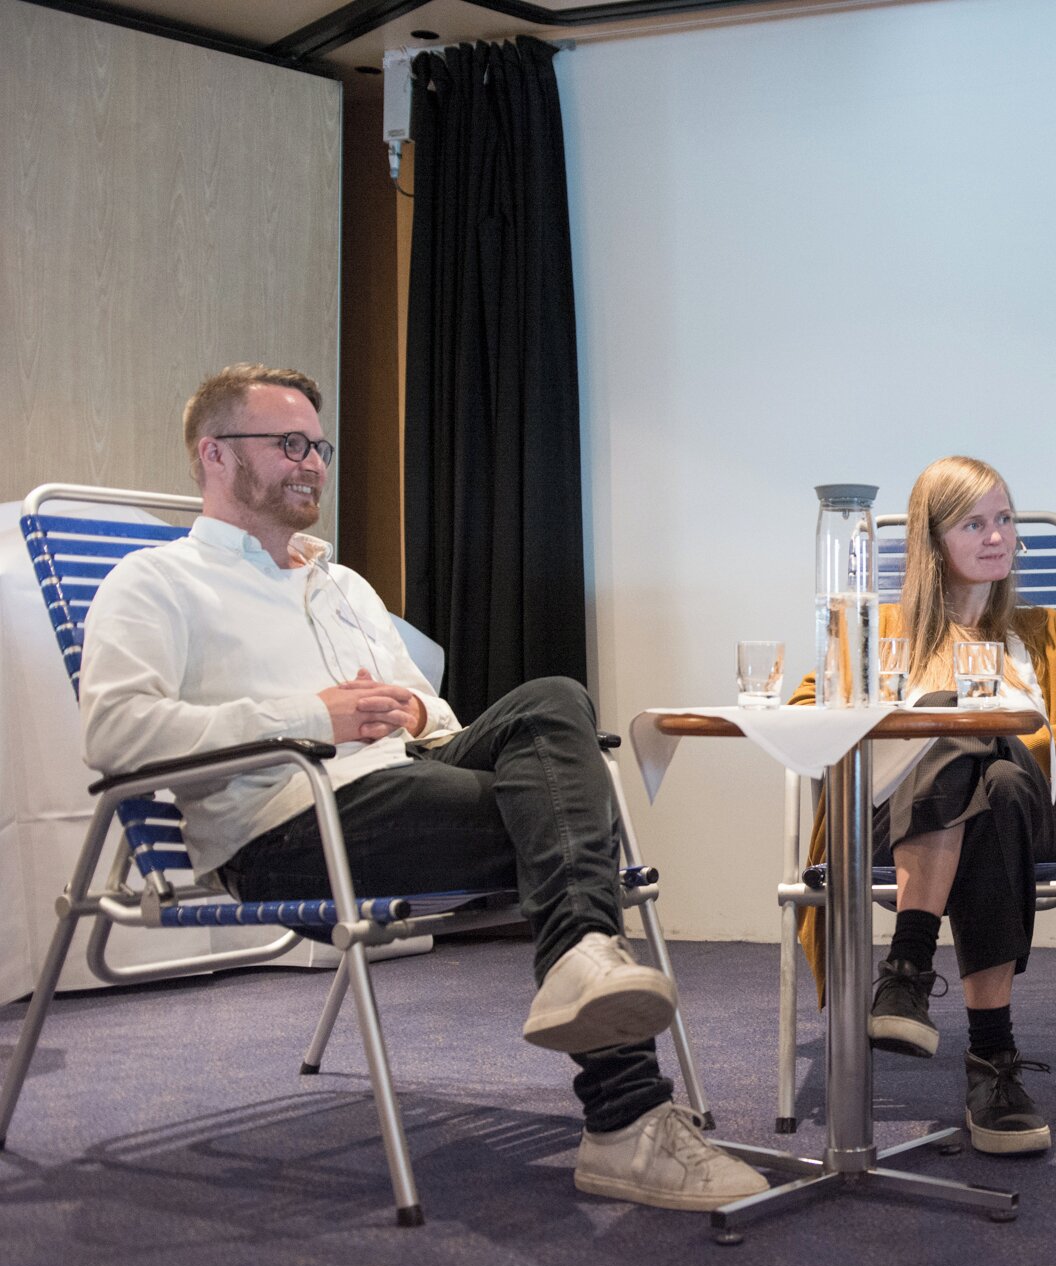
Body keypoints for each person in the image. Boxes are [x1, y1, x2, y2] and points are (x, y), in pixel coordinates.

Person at [77, 364, 764, 1212]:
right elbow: (116, 731)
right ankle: (625, 1115)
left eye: (319, 446)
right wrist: (312, 716)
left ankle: (581, 962)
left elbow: (432, 713)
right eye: (289, 443)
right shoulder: (156, 582)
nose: (313, 463)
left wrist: (413, 707)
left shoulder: (343, 585)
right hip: (292, 822)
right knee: (562, 819)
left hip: (404, 778)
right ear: (214, 454)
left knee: (555, 698)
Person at [790, 456, 1056, 1154]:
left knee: (997, 764)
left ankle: (907, 969)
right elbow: (810, 706)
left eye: (1005, 519)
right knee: (975, 763)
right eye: (974, 524)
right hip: (895, 820)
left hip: (1038, 817)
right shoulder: (880, 628)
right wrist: (908, 727)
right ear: (932, 541)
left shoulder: (1046, 630)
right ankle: (992, 1059)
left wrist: (1029, 740)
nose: (998, 537)